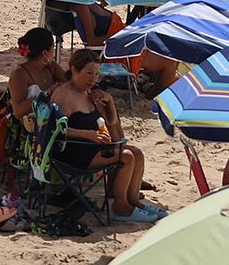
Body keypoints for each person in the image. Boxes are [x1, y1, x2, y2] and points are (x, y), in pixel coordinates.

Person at [49, 50, 164, 222]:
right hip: (73, 151)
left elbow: (111, 122)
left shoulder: (88, 92)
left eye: (96, 74)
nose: (93, 79)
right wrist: (87, 134)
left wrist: (108, 101)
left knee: (137, 154)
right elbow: (55, 130)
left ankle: (133, 202)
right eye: (89, 73)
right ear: (74, 69)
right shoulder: (64, 95)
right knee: (127, 156)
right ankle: (120, 207)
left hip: (92, 147)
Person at [9, 27, 68, 130]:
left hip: (50, 122)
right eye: (53, 48)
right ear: (45, 53)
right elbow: (18, 111)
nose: (53, 52)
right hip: (28, 128)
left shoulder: (51, 67)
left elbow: (68, 84)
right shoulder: (20, 75)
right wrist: (48, 93)